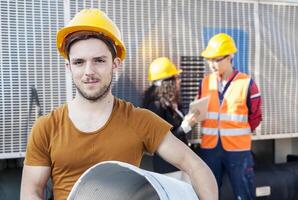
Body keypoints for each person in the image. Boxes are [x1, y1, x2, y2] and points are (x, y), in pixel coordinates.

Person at [20, 9, 218, 200]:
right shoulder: (46, 127)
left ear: (115, 64)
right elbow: (31, 192)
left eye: (99, 60)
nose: (89, 71)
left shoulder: (139, 120)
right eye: (79, 62)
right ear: (69, 67)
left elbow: (196, 166)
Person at [196, 33, 262, 200]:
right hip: (210, 149)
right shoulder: (205, 82)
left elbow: (255, 117)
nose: (211, 64)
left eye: (216, 59)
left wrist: (239, 132)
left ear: (230, 57)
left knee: (244, 194)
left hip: (238, 151)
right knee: (208, 194)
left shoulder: (247, 83)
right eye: (209, 60)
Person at [143, 57, 200, 173]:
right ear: (168, 82)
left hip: (179, 163)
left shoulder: (170, 102)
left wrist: (189, 120)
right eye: (176, 78)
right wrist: (185, 127)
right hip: (168, 167)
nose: (179, 81)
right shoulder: (155, 106)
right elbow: (160, 141)